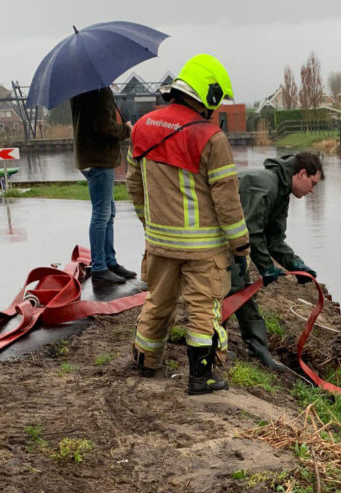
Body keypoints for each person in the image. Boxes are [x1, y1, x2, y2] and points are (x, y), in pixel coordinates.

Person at [125, 54, 249, 395]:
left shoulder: (142, 127)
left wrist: (148, 223)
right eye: (217, 101)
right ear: (207, 96)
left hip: (160, 242)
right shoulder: (211, 138)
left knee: (158, 300)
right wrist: (240, 245)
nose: (217, 108)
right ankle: (201, 376)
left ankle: (146, 362)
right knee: (202, 306)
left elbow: (134, 186)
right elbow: (227, 200)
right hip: (203, 247)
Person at [229, 152, 324, 371]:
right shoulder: (266, 184)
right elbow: (252, 231)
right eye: (312, 183)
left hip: (234, 241)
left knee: (240, 288)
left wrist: (295, 265)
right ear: (301, 174)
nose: (312, 190)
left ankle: (256, 347)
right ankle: (215, 345)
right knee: (231, 286)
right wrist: (266, 267)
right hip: (217, 238)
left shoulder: (281, 192)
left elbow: (274, 239)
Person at [71, 87, 136, 284]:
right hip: (100, 159)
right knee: (101, 213)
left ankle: (109, 261)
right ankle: (100, 266)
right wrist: (127, 129)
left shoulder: (79, 90)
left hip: (89, 158)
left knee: (108, 212)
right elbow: (104, 127)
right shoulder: (98, 90)